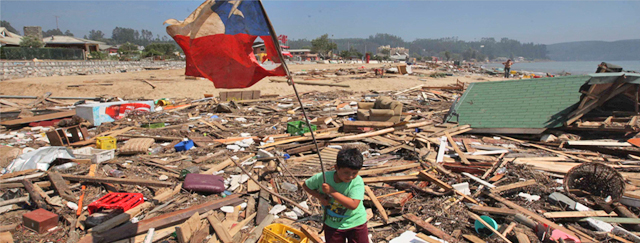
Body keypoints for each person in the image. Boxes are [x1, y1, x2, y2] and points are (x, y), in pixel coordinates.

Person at [303, 148, 368, 243]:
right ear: (336, 168)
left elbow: (353, 205)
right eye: (346, 172)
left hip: (356, 223)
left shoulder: (356, 182)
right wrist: (320, 197)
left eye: (354, 173)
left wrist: (331, 191)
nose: (350, 177)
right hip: (333, 224)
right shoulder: (323, 178)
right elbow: (306, 185)